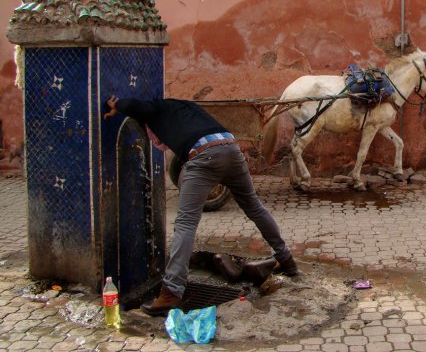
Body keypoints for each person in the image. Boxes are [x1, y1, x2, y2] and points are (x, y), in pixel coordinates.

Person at [103, 95, 298, 316]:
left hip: (204, 157)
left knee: (185, 224)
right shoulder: (186, 107)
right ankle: (286, 260)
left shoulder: (155, 107)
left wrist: (116, 105)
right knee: (254, 206)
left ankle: (170, 293)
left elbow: (135, 105)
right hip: (231, 149)